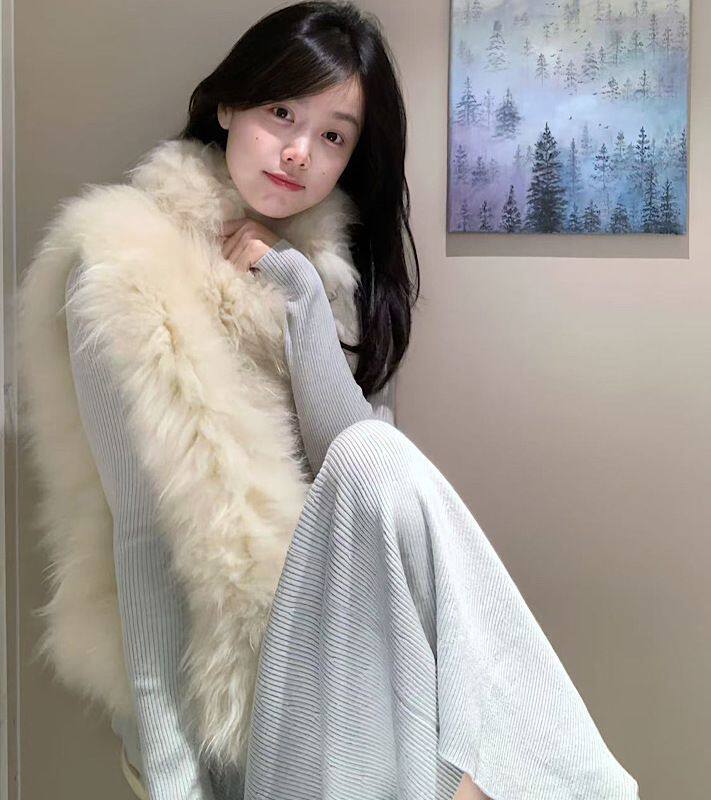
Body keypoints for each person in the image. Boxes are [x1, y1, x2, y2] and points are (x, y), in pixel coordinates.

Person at [56, 2, 640, 798]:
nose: (300, 151)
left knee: (371, 450)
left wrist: (299, 291)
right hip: (240, 697)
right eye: (281, 112)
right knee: (376, 454)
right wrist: (174, 780)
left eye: (333, 136)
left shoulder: (327, 277)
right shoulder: (126, 269)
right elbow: (140, 539)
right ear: (228, 105)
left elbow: (350, 459)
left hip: (353, 660)